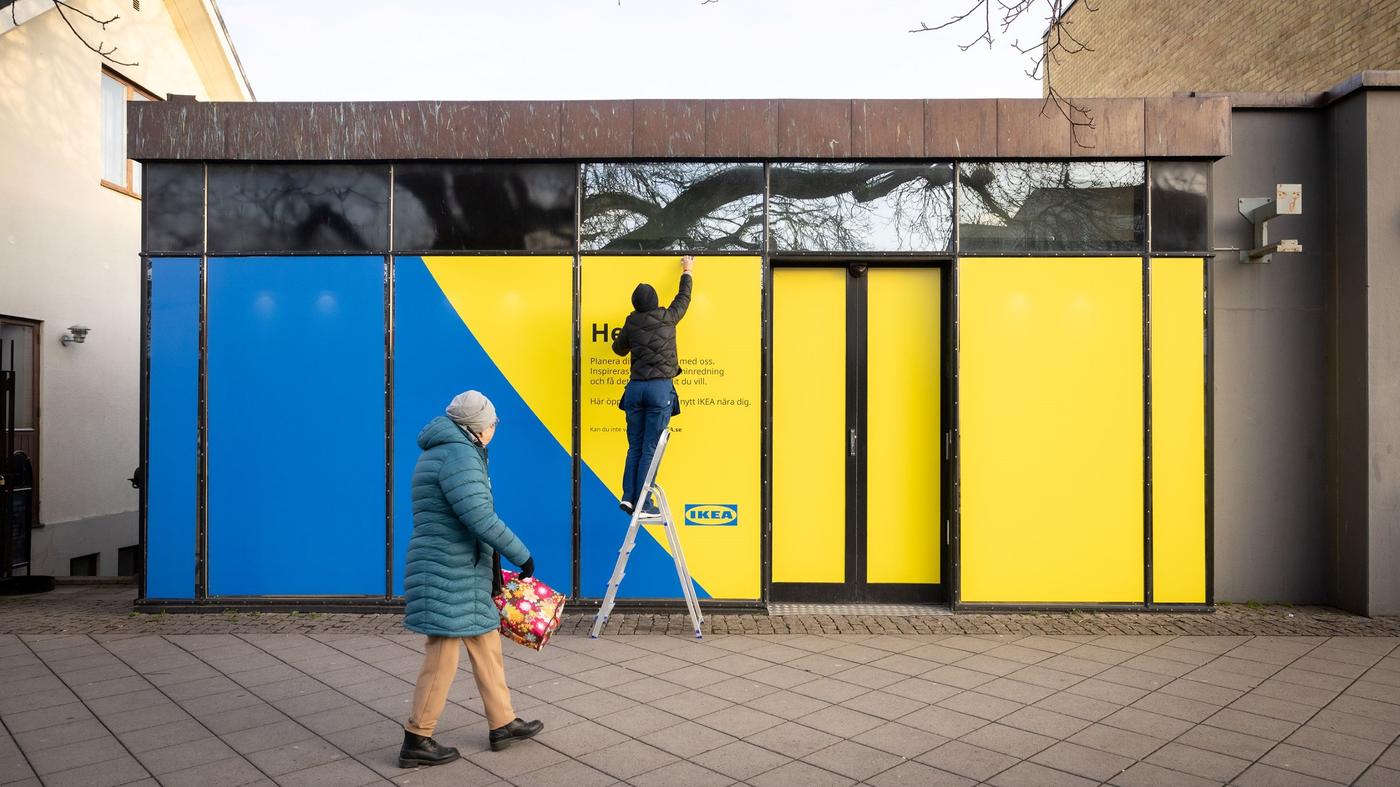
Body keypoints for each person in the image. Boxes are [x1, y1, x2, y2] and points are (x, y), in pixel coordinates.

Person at [398, 391, 543, 767]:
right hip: (448, 569)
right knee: (442, 655)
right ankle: (417, 737)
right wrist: (521, 554)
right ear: (478, 426)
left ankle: (503, 722)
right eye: (493, 422)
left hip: (462, 568)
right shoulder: (459, 455)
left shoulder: (447, 449)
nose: (495, 428)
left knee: (485, 642)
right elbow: (479, 517)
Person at [612, 255, 693, 518]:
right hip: (659, 391)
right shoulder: (668, 317)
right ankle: (644, 504)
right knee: (649, 447)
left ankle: (628, 497)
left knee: (634, 446)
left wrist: (631, 336)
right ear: (656, 300)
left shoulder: (631, 322)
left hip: (635, 390)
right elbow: (684, 299)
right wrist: (687, 271)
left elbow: (618, 349)